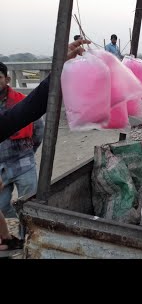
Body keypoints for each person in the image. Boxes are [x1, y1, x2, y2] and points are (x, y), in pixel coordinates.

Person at [0, 38, 90, 253]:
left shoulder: (15, 101)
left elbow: (26, 114)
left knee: (29, 206)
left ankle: (22, 242)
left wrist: (58, 68)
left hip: (23, 163)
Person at [0, 62, 44, 218]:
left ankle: (26, 233)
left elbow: (38, 130)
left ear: (7, 79)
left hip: (23, 163)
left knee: (30, 206)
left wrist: (29, 152)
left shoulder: (21, 102)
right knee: (2, 208)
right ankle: (17, 228)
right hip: (1, 167)